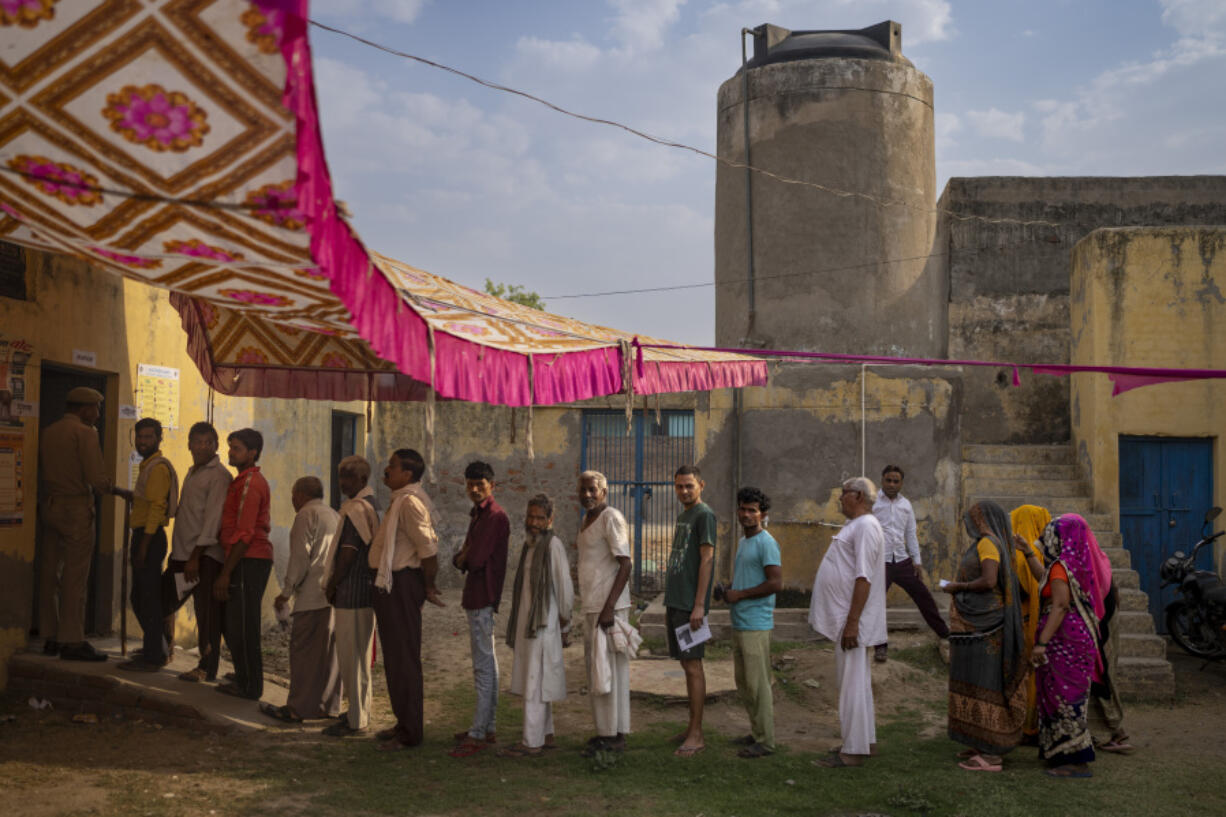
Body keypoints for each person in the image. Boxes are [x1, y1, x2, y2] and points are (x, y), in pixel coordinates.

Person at [941, 500, 1027, 772]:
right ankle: (980, 740)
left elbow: (989, 581)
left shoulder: (988, 543)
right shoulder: (984, 543)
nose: (968, 524)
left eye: (972, 519)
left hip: (987, 628)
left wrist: (958, 586)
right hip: (975, 628)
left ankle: (992, 753)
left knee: (986, 683)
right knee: (974, 682)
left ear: (982, 520)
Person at [37, 386, 122, 661]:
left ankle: (49, 635)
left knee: (50, 573)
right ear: (85, 409)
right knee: (75, 577)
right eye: (96, 409)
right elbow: (97, 478)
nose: (98, 415)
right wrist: (112, 488)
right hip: (75, 508)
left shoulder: (49, 431)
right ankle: (72, 640)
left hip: (51, 506)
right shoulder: (85, 433)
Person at [368, 448, 444, 751]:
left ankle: (410, 732)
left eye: (393, 467)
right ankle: (403, 722)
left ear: (408, 474)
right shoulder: (400, 500)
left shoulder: (410, 503)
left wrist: (427, 586)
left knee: (404, 660)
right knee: (396, 659)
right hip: (390, 586)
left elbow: (428, 551)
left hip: (402, 585)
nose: (387, 471)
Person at [809, 477, 887, 768]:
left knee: (851, 685)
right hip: (848, 620)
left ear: (857, 496)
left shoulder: (866, 526)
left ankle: (853, 751)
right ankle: (865, 742)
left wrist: (852, 622)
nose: (839, 499)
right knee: (858, 683)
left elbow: (863, 577)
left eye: (843, 494)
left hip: (851, 622)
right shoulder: (857, 525)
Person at [261, 477, 341, 722]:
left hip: (311, 596)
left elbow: (299, 558)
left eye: (293, 495)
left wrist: (286, 591)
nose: (292, 500)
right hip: (331, 595)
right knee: (328, 656)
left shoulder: (306, 515)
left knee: (305, 654)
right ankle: (326, 706)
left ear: (300, 495)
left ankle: (298, 708)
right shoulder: (334, 515)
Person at [500, 494, 574, 758]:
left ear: (550, 520)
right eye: (530, 516)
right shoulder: (530, 545)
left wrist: (565, 624)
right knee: (537, 680)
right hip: (529, 624)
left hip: (543, 626)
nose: (533, 522)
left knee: (534, 682)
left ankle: (531, 742)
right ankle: (547, 733)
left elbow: (564, 588)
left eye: (540, 518)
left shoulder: (552, 545)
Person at [1032, 514, 1103, 778]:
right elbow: (1047, 584)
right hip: (1073, 641)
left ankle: (1075, 760)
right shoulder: (1077, 565)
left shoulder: (1062, 567)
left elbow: (1060, 606)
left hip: (1065, 642)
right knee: (1064, 697)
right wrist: (1029, 553)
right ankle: (1060, 754)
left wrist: (1041, 643)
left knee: (1065, 699)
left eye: (1051, 534)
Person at [162, 422, 231, 683]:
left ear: (215, 446)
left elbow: (213, 520)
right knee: (163, 601)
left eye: (208, 442)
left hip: (203, 559)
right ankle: (162, 650)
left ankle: (207, 667)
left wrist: (195, 558)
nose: (202, 447)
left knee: (207, 614)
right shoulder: (194, 471)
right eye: (197, 441)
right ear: (189, 444)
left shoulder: (219, 476)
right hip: (181, 553)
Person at [450, 460, 510, 758]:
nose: (474, 489)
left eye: (480, 484)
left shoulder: (494, 516)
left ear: (492, 486)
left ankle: (478, 732)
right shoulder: (479, 514)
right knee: (489, 663)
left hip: (482, 595)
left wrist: (462, 559)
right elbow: (464, 553)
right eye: (470, 484)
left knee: (483, 667)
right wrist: (462, 557)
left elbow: (472, 559)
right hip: (477, 594)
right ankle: (487, 726)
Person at [322, 455, 381, 737]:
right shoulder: (372, 504)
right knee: (360, 658)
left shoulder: (357, 508)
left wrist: (333, 583)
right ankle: (361, 713)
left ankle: (356, 721)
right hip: (366, 591)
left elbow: (348, 552)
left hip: (352, 592)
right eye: (341, 475)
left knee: (352, 659)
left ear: (361, 479)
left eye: (348, 476)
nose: (343, 481)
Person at [575, 470, 633, 756]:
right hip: (593, 606)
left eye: (592, 490)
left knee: (611, 673)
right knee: (598, 672)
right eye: (583, 489)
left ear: (604, 491)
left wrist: (609, 607)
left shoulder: (611, 517)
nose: (587, 494)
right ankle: (605, 732)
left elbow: (625, 563)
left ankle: (615, 736)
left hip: (608, 609)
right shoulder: (587, 520)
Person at [213, 428, 272, 700]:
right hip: (242, 558)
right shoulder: (241, 481)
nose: (230, 452)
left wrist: (226, 573)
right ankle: (244, 677)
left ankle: (250, 686)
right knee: (235, 622)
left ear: (252, 453)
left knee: (244, 625)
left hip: (250, 559)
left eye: (236, 448)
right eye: (230, 447)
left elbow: (246, 533)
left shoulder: (251, 483)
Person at [116, 417, 179, 672]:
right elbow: (146, 499)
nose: (143, 442)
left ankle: (154, 655)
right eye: (140, 437)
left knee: (147, 599)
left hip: (149, 538)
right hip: (144, 535)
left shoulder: (158, 468)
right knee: (140, 596)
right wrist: (122, 493)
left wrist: (143, 545)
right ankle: (157, 647)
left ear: (159, 439)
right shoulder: (148, 465)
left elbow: (157, 508)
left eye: (148, 437)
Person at [664, 464, 717, 758]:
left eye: (689, 486)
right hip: (676, 602)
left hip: (689, 607)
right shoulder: (685, 515)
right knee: (686, 665)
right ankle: (691, 726)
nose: (684, 491)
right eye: (679, 486)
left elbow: (707, 559)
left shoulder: (704, 515)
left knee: (694, 666)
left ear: (701, 485)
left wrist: (699, 605)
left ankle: (697, 734)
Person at [725, 486, 782, 759]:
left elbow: (775, 583)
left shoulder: (766, 542)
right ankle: (756, 731)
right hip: (740, 620)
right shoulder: (744, 542)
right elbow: (749, 578)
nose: (746, 515)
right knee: (745, 683)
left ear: (762, 514)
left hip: (756, 622)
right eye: (743, 509)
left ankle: (766, 742)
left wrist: (741, 594)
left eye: (752, 510)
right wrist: (730, 589)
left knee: (758, 684)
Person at [872, 465, 949, 662]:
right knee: (876, 604)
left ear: (901, 483)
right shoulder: (873, 502)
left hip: (903, 561)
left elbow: (910, 535)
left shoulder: (905, 505)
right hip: (881, 562)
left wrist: (917, 561)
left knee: (924, 596)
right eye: (888, 480)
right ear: (882, 480)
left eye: (896, 481)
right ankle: (880, 646)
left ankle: (945, 634)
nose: (891, 484)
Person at [1010, 504, 1050, 742]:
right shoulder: (1046, 554)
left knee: (1023, 672)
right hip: (1042, 624)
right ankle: (1035, 724)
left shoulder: (1016, 555)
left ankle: (1022, 725)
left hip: (1023, 623)